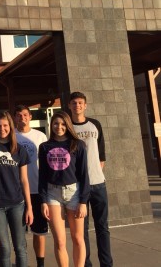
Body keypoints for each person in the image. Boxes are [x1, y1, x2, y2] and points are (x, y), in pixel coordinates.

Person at [39, 111, 90, 267]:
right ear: (51, 125)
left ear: (67, 125)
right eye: (56, 123)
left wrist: (83, 201)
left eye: (62, 124)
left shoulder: (78, 144)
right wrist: (43, 201)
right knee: (60, 241)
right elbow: (42, 175)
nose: (59, 127)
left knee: (77, 238)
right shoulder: (45, 147)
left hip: (74, 193)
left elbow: (84, 175)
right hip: (52, 194)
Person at [69, 92, 113, 267]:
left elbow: (101, 155)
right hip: (77, 187)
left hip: (98, 184)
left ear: (85, 105)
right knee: (82, 231)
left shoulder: (95, 124)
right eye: (74, 103)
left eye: (80, 103)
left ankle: (106, 264)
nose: (77, 105)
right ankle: (86, 264)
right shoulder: (68, 127)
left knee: (102, 228)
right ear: (69, 106)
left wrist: (94, 174)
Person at [0, 111, 33, 267]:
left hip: (17, 204)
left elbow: (24, 180)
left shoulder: (19, 150)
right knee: (3, 248)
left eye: (5, 125)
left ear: (10, 127)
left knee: (20, 247)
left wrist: (29, 207)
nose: (2, 129)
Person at [14, 105, 48, 267]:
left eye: (25, 115)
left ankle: (40, 263)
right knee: (20, 233)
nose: (22, 118)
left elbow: (48, 163)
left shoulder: (40, 136)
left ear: (30, 117)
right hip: (17, 193)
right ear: (15, 118)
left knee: (39, 231)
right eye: (19, 115)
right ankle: (23, 263)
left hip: (37, 189)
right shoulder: (11, 136)